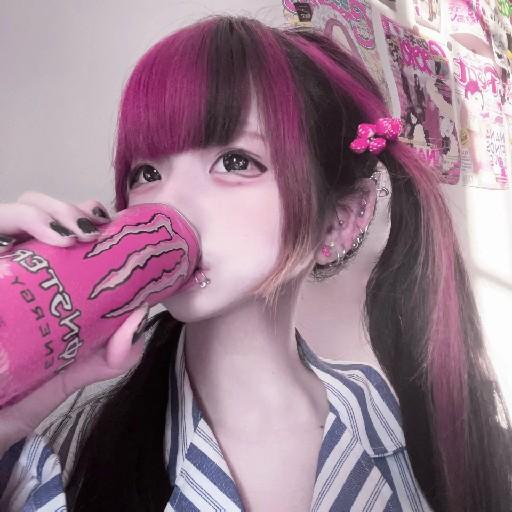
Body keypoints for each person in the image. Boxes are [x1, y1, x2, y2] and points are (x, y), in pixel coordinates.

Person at [0, 14, 511, 512]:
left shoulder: (395, 420)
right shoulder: (63, 461)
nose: (168, 204)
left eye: (236, 162)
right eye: (147, 172)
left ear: (340, 218)